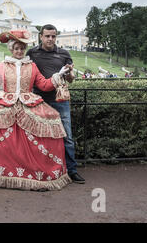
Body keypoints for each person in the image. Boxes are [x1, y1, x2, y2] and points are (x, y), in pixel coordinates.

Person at [0, 29, 71, 191]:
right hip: (6, 103)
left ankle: (34, 173)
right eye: (16, 48)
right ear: (11, 49)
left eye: (21, 48)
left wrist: (58, 75)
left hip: (28, 103)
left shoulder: (32, 66)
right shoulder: (2, 65)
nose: (19, 51)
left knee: (50, 119)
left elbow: (44, 85)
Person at [26, 24, 85, 184]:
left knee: (67, 136)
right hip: (38, 99)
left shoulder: (64, 53)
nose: (50, 39)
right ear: (41, 36)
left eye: (53, 36)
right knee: (39, 135)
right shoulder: (32, 53)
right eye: (47, 36)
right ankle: (40, 170)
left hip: (60, 100)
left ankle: (72, 171)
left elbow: (71, 79)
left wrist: (70, 73)